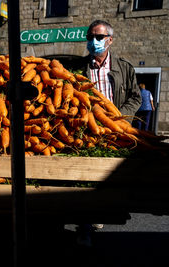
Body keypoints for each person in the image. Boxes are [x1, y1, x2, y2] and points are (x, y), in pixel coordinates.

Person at [75, 19, 141, 247]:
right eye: (90, 37)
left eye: (99, 37)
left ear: (110, 40)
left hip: (115, 131)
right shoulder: (78, 67)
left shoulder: (124, 68)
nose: (94, 41)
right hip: (88, 131)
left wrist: (120, 118)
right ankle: (83, 228)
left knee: (107, 177)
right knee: (85, 179)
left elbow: (136, 97)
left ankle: (98, 213)